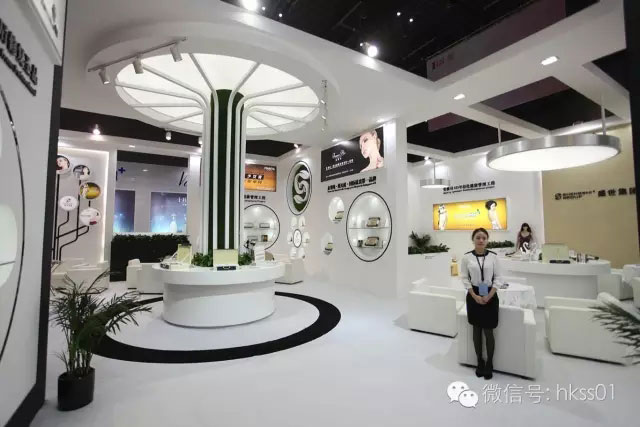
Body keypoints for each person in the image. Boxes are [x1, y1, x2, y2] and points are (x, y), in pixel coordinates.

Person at [460, 227, 503, 380]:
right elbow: (464, 278)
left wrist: (489, 295)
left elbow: (498, 278)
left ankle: (489, 363)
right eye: (478, 237)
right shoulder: (466, 258)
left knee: (488, 331)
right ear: (473, 239)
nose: (481, 240)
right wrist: (475, 296)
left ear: (487, 240)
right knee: (476, 330)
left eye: (484, 238)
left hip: (490, 295)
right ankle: (479, 361)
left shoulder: (494, 257)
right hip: (474, 295)